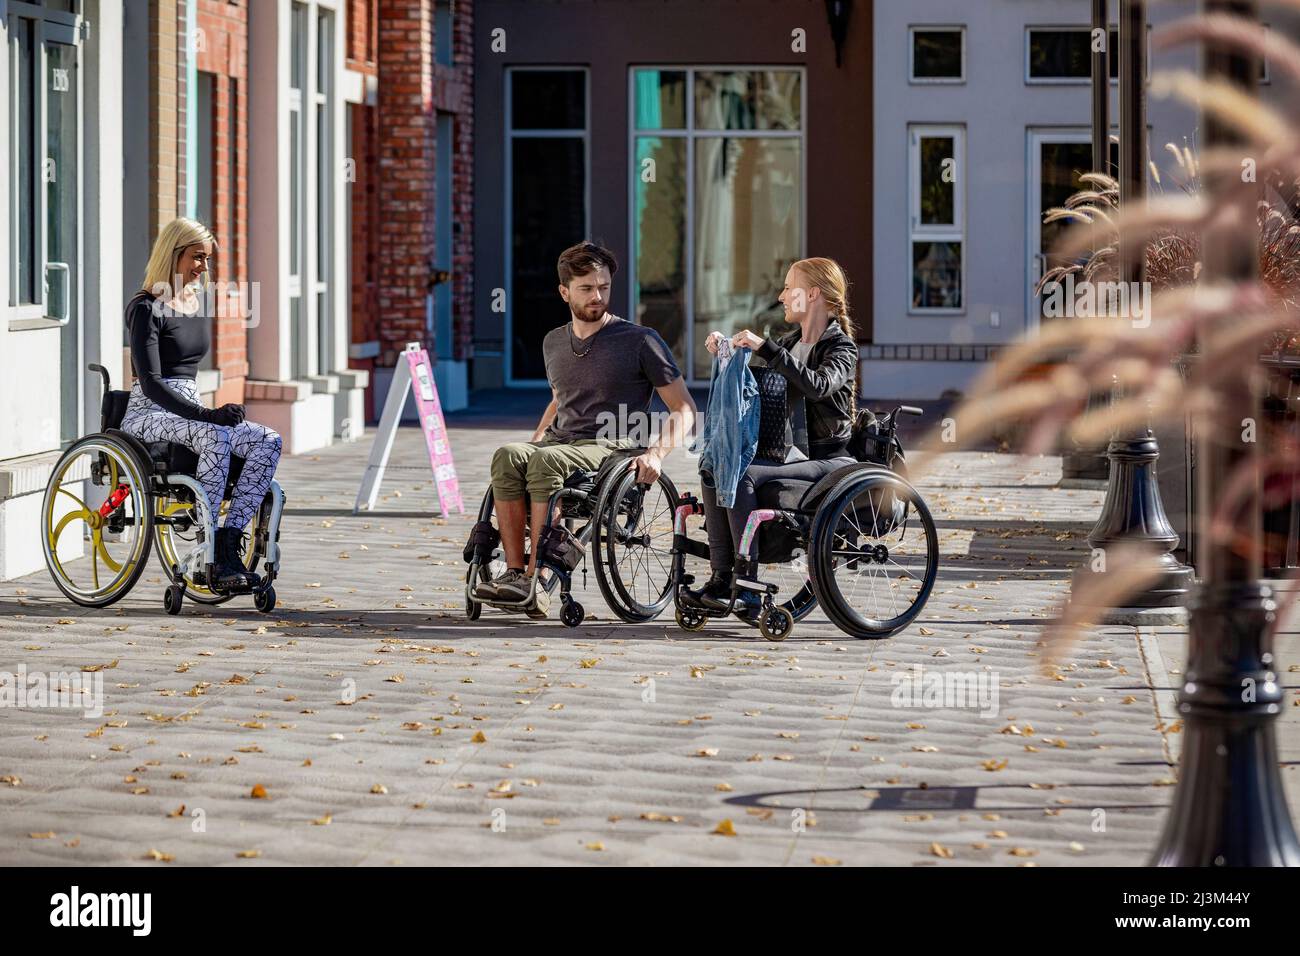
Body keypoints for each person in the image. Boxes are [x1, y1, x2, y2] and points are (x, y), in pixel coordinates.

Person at [476, 241, 697, 614]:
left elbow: (684, 407)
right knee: (507, 456)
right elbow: (561, 398)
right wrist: (532, 444)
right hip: (563, 442)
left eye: (604, 287)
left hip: (614, 445)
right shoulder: (553, 342)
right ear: (564, 292)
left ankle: (538, 577)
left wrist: (656, 454)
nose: (597, 296)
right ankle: (515, 574)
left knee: (546, 463)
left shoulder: (640, 340)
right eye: (587, 288)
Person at [120, 217, 283, 592]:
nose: (203, 268)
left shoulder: (194, 304)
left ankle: (227, 542)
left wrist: (210, 413)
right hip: (149, 411)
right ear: (173, 254)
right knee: (215, 435)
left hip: (189, 408)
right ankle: (207, 547)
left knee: (267, 440)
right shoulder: (145, 307)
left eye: (207, 259)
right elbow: (152, 382)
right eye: (197, 257)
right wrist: (207, 414)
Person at [699, 257, 859, 613]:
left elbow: (818, 386)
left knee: (741, 474)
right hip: (790, 455)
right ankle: (722, 578)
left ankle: (748, 584)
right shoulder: (790, 342)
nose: (781, 295)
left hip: (830, 460)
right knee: (714, 467)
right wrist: (728, 352)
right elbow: (759, 384)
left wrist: (766, 347)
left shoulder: (841, 348)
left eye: (789, 288)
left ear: (812, 294)